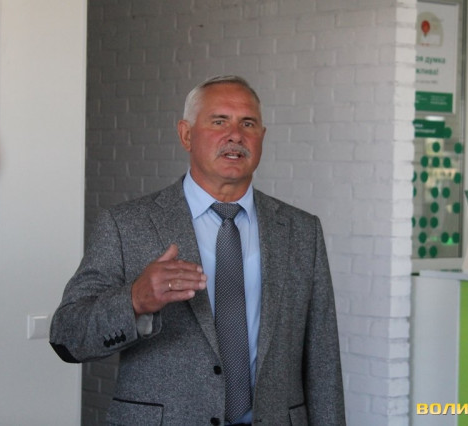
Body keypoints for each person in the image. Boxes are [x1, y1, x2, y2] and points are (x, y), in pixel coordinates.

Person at [49, 75, 346, 425]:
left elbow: (323, 359)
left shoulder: (301, 230)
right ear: (186, 134)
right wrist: (134, 300)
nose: (235, 135)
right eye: (219, 121)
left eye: (248, 123)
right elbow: (67, 336)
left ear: (262, 137)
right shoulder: (126, 224)